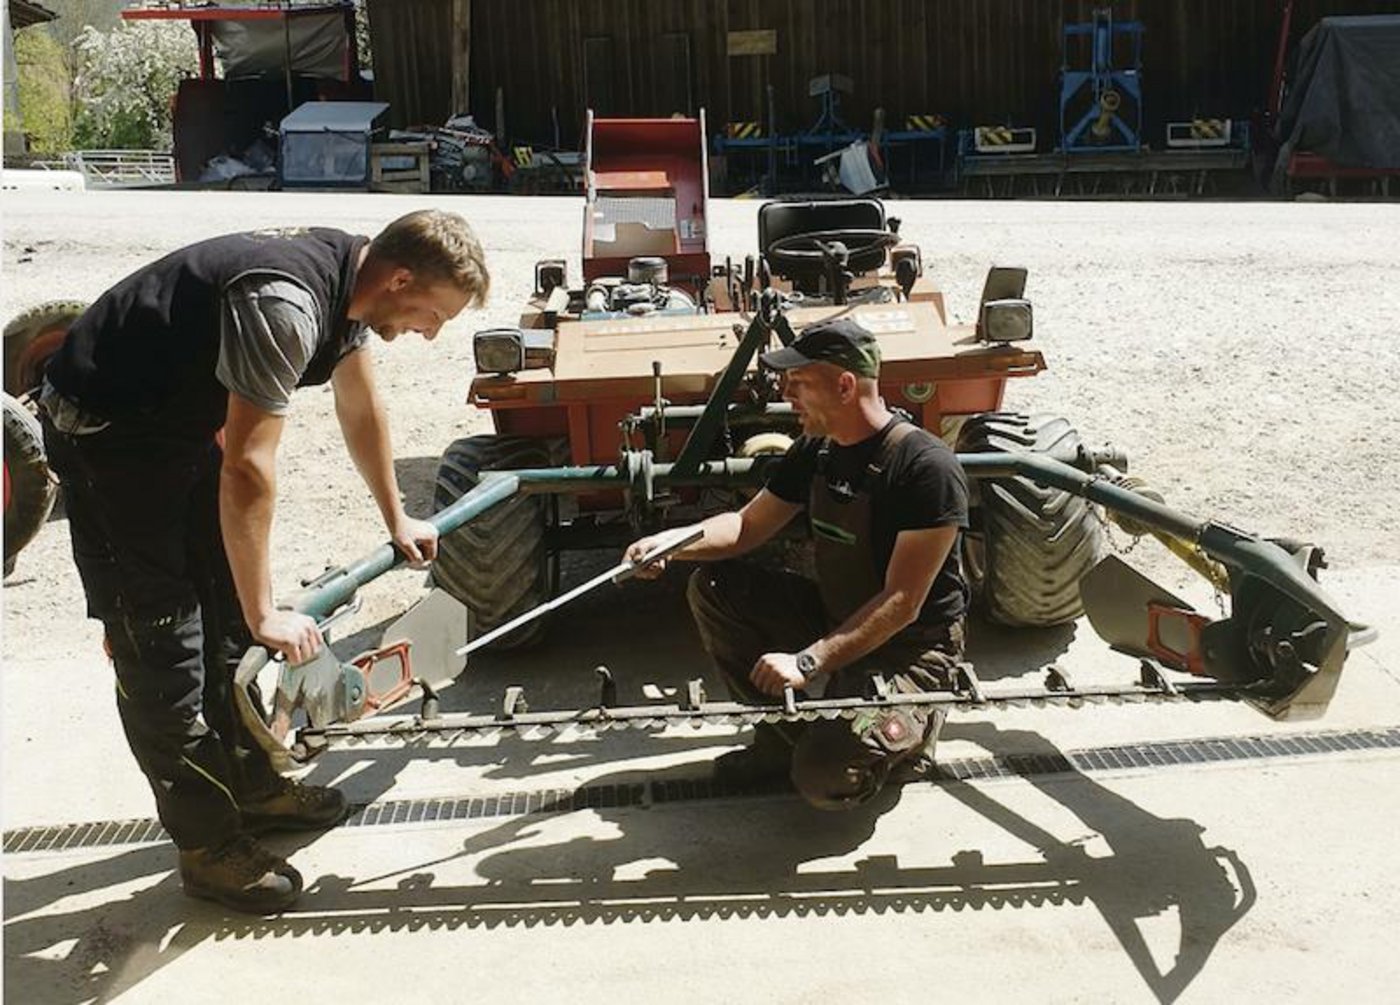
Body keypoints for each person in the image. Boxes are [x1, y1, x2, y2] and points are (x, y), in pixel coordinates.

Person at [39, 210, 489, 913]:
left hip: (173, 424)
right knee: (164, 646)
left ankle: (252, 788)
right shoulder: (285, 303)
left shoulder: (354, 281)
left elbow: (361, 407)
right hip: (107, 433)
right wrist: (265, 610)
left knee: (229, 634)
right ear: (400, 278)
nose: (429, 332)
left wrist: (396, 515)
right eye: (432, 314)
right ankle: (209, 846)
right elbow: (248, 468)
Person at [625, 317, 969, 810]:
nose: (788, 395)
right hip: (838, 615)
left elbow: (903, 601)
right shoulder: (818, 450)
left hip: (911, 651)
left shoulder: (926, 469)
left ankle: (913, 727)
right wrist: (672, 543)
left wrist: (807, 662)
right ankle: (781, 737)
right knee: (715, 586)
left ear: (846, 385)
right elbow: (746, 526)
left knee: (825, 780)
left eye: (799, 383)